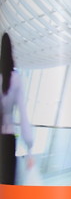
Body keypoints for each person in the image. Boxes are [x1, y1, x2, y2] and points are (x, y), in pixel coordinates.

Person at [0, 31, 35, 184]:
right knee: (7, 184)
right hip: (8, 139)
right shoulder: (16, 78)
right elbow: (23, 116)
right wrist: (29, 149)